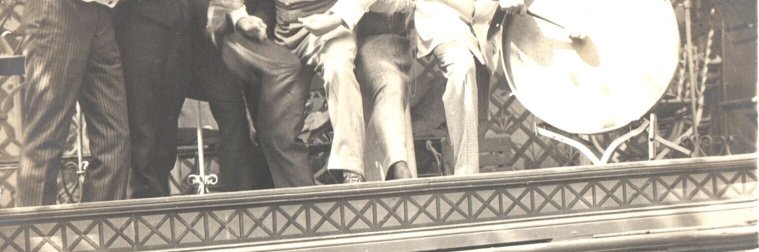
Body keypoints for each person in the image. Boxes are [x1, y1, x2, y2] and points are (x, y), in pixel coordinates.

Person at [229, 0, 414, 183]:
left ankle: (352, 172)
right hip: (284, 32)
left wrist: (338, 17)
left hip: (328, 23)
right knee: (276, 128)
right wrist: (240, 17)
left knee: (339, 69)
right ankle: (303, 204)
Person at [16, 0, 130, 206]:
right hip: (57, 12)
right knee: (46, 134)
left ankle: (100, 229)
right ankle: (32, 234)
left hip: (101, 15)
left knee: (114, 136)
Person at [206, 0, 316, 187]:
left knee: (273, 132)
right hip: (223, 39)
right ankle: (244, 207)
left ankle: (295, 206)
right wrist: (239, 18)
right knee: (238, 130)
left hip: (269, 37)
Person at [414, 0, 525, 174]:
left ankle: (453, 169)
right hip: (443, 16)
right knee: (463, 66)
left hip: (481, 27)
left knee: (477, 117)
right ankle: (466, 176)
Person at [113, 0, 193, 198]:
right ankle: (146, 198)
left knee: (167, 121)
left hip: (179, 24)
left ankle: (159, 195)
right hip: (140, 22)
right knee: (143, 117)